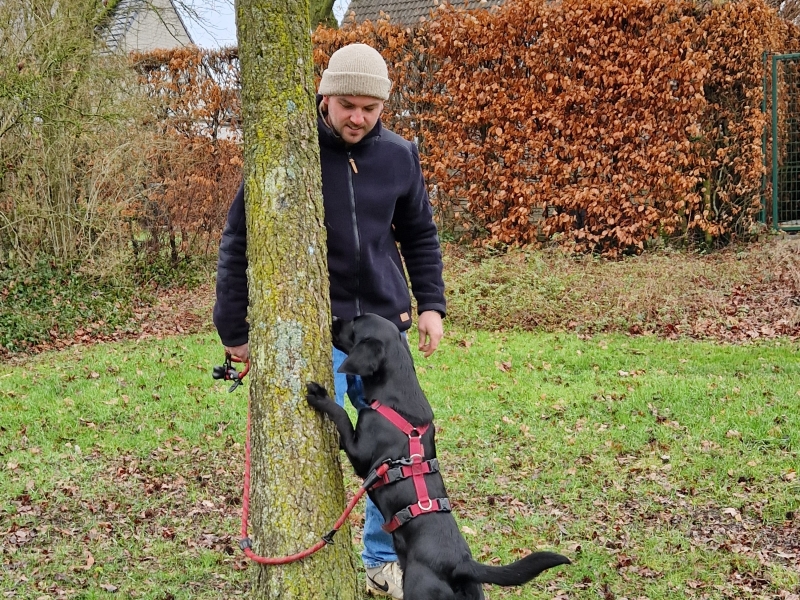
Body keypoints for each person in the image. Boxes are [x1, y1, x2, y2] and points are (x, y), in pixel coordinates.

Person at [213, 43, 447, 599]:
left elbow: (418, 234)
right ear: (325, 96)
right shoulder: (286, 155)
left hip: (384, 333)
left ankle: (381, 560)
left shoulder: (398, 155)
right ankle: (298, 542)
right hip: (311, 324)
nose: (358, 118)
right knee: (311, 435)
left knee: (395, 455)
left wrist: (431, 304)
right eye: (347, 104)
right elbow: (237, 242)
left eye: (370, 107)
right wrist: (234, 330)